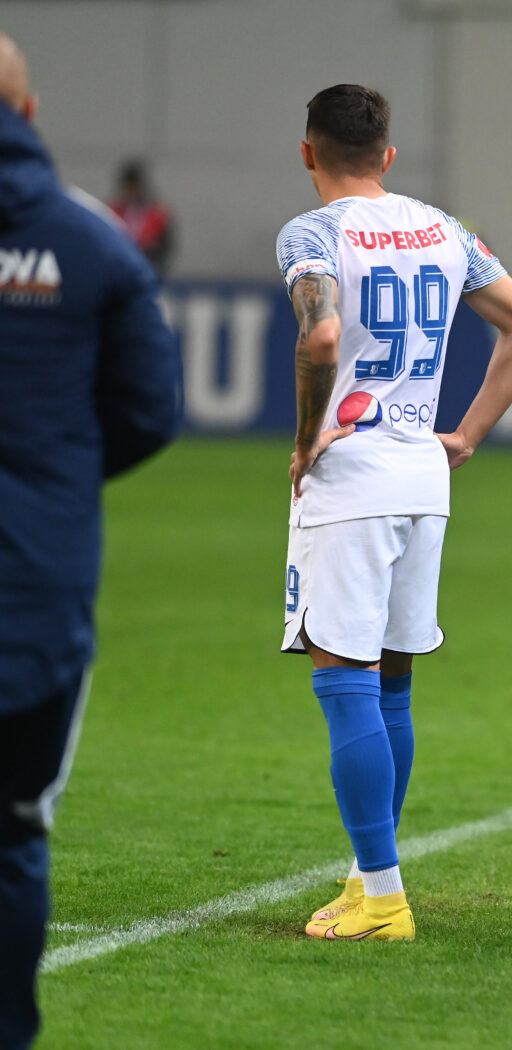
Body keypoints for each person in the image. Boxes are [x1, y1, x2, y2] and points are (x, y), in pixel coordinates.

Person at [276, 84, 512, 941]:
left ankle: (384, 899)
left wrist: (306, 438)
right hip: (423, 477)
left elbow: (322, 335)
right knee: (392, 686)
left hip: (352, 477)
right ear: (387, 155)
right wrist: (466, 434)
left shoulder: (311, 234)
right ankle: (369, 879)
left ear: (309, 151)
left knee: (344, 682)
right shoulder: (442, 229)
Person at [0, 32, 180, 1048]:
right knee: (13, 833)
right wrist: (53, 482)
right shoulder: (96, 243)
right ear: (29, 113)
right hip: (32, 591)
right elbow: (149, 412)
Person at [108, 159, 174, 276]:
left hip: (149, 268)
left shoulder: (157, 214)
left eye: (135, 186)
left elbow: (165, 246)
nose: (132, 190)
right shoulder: (112, 212)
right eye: (129, 186)